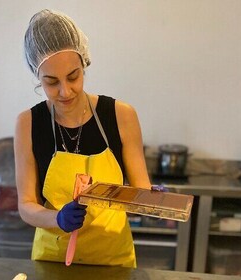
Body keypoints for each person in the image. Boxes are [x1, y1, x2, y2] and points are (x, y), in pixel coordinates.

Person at [14, 9, 151, 268]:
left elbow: (140, 193)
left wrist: (154, 203)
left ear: (84, 63)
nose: (65, 91)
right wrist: (57, 218)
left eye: (73, 76)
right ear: (37, 76)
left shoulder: (121, 115)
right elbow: (26, 205)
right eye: (51, 82)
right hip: (53, 261)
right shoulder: (28, 123)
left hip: (112, 262)